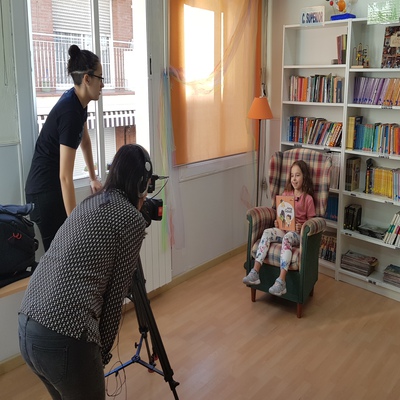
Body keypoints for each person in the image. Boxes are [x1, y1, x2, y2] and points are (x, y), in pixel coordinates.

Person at [18, 144, 153, 400]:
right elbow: (115, 298)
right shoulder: (131, 219)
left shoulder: (90, 202)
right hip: (66, 336)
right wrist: (99, 357)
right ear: (140, 186)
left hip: (27, 327)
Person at [25, 44, 103, 251]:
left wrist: (93, 177)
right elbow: (65, 177)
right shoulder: (70, 112)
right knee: (60, 255)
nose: (103, 84)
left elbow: (85, 141)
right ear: (87, 79)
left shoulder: (78, 104)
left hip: (51, 189)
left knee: (66, 254)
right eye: (100, 78)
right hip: (43, 193)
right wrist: (73, 224)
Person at [242, 160, 316, 296]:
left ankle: (281, 281)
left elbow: (312, 222)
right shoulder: (286, 194)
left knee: (287, 238)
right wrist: (277, 222)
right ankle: (255, 272)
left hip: (296, 234)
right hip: (284, 230)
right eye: (292, 175)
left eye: (298, 175)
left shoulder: (308, 199)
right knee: (267, 232)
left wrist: (302, 226)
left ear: (304, 177)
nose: (294, 179)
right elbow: (280, 214)